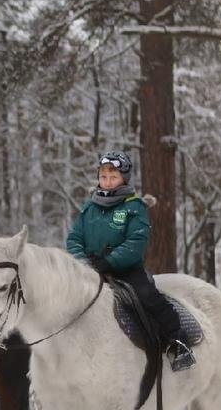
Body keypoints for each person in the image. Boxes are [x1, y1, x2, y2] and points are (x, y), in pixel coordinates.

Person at [66, 150, 195, 372]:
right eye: (103, 177)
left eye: (113, 177)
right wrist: (83, 260)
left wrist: (110, 261)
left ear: (124, 178)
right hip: (89, 269)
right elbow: (74, 238)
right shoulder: (90, 208)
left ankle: (178, 340)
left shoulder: (134, 207)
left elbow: (136, 242)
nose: (107, 182)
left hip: (126, 271)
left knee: (148, 296)